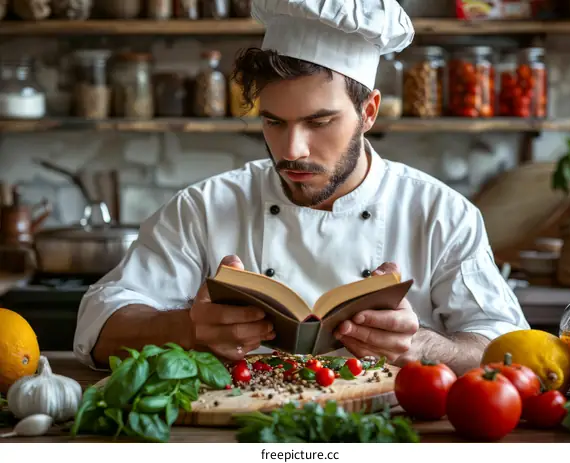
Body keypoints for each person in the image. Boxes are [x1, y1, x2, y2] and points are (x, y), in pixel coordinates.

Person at [73, 0, 530, 376]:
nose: (292, 149)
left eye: (319, 122)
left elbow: (510, 350)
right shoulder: (205, 207)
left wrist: (427, 346)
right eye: (274, 122)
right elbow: (98, 324)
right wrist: (188, 327)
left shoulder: (441, 214)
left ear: (369, 112)